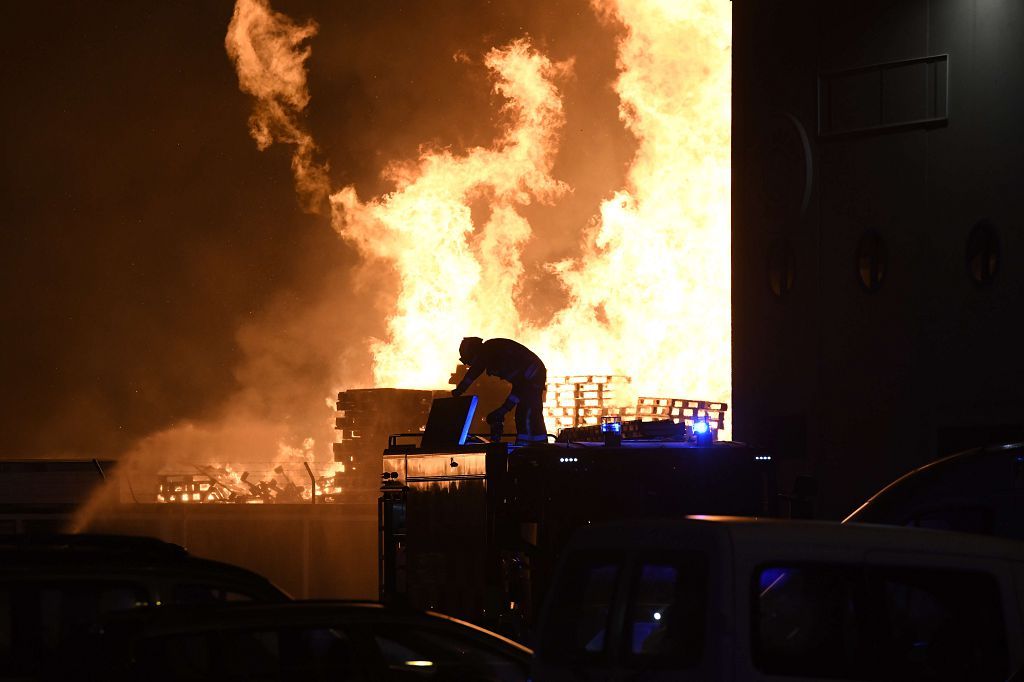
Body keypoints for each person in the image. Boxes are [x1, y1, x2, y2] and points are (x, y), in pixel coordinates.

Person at [451, 337, 548, 445]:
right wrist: (459, 391)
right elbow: (474, 372)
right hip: (530, 375)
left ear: (475, 353)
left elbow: (520, 386)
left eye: (470, 361)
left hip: (532, 376)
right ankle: (530, 447)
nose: (472, 365)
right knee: (524, 412)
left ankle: (531, 448)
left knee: (527, 413)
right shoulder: (490, 351)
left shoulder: (494, 355)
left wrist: (503, 409)